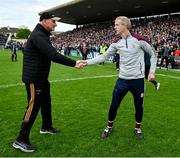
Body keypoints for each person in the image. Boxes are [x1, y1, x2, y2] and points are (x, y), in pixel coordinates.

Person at [12, 12, 83, 153]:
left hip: (42, 79)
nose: (56, 24)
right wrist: (74, 63)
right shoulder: (38, 35)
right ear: (44, 21)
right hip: (34, 79)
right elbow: (53, 55)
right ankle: (20, 139)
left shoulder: (42, 34)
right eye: (53, 21)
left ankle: (46, 127)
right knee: (33, 107)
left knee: (46, 103)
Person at [82, 16, 157, 140]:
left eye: (117, 24)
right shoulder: (117, 43)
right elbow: (104, 57)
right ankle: (109, 127)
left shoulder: (139, 40)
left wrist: (152, 72)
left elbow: (153, 54)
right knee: (114, 105)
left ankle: (138, 128)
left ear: (125, 26)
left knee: (139, 106)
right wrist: (86, 62)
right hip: (122, 80)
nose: (114, 27)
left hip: (138, 81)